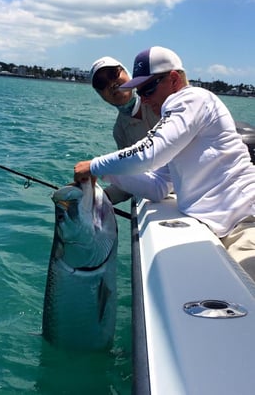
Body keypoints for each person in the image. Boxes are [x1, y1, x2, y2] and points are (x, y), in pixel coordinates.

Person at [74, 46, 255, 280]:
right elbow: (159, 184)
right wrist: (102, 184)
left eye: (148, 89)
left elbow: (151, 153)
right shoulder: (166, 118)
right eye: (141, 92)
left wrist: (95, 166)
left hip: (244, 223)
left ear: (173, 79)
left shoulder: (192, 97)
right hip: (217, 226)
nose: (145, 99)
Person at [90, 56, 160, 204]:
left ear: (127, 72)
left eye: (113, 74)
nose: (111, 84)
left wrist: (95, 167)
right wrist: (97, 199)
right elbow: (130, 178)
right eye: (102, 84)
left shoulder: (159, 98)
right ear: (101, 95)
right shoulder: (120, 131)